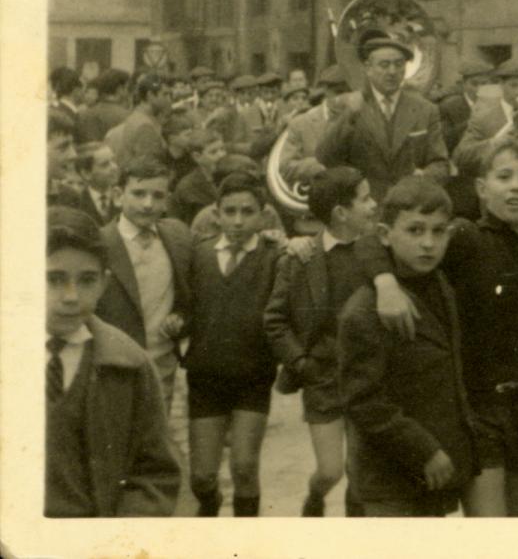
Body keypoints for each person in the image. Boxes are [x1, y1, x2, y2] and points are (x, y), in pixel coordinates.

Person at [365, 140, 518, 516]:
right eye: (503, 176)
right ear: (481, 188)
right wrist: (384, 282)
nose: (515, 187)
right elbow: (377, 242)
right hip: (479, 413)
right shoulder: (460, 240)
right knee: (488, 534)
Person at [338, 176, 479, 517]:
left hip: (430, 475)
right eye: (415, 231)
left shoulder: (438, 284)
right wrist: (425, 450)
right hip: (388, 479)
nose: (428, 243)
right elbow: (364, 400)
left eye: (438, 231)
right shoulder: (366, 309)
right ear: (386, 235)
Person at [44, 206, 181, 517]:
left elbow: (155, 474)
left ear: (104, 283)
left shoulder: (130, 365)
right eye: (54, 279)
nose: (70, 296)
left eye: (87, 280)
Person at [264, 167, 379, 517]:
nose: (374, 205)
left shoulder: (378, 251)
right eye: (365, 199)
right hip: (323, 378)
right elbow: (275, 320)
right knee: (331, 470)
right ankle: (315, 499)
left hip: (369, 376)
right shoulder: (303, 257)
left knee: (362, 475)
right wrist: (300, 362)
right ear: (341, 213)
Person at [183, 172, 283, 517]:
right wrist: (176, 322)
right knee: (202, 476)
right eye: (230, 211)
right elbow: (185, 306)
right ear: (216, 212)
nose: (238, 221)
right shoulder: (198, 254)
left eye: (247, 211)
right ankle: (210, 505)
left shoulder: (275, 256)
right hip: (206, 377)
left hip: (253, 378)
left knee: (243, 467)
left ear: (262, 214)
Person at [97, 157, 192, 410]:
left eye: (157, 195)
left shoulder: (177, 236)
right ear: (119, 195)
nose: (148, 204)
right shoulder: (100, 244)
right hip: (113, 370)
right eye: (139, 194)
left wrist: (180, 316)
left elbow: (192, 291)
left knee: (155, 442)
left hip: (162, 368)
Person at [317, 31, 449, 202]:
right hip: (363, 209)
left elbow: (441, 164)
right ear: (368, 68)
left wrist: (423, 178)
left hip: (409, 207)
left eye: (399, 64)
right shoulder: (345, 104)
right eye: (384, 65)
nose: (392, 71)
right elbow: (325, 157)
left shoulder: (426, 109)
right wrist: (349, 115)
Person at [452, 57, 518, 171]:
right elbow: (460, 156)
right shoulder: (483, 117)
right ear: (501, 84)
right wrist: (495, 142)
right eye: (513, 85)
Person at [276, 67, 351, 187]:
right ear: (326, 91)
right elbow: (285, 168)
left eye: (350, 93)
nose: (344, 99)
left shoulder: (363, 120)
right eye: (339, 92)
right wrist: (318, 166)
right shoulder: (300, 123)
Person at [106, 73, 172, 173]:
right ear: (150, 95)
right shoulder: (145, 125)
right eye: (165, 94)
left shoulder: (137, 117)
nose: (169, 100)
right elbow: (148, 165)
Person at [439, 58, 498, 155]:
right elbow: (445, 142)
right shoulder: (449, 107)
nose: (479, 89)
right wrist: (472, 120)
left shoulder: (496, 105)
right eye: (474, 84)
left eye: (484, 83)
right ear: (463, 84)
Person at [170, 128, 228, 226]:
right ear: (197, 157)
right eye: (213, 152)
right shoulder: (188, 187)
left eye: (223, 149)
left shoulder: (228, 175)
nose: (221, 155)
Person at [67, 141, 122, 226]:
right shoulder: (76, 203)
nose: (114, 167)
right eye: (105, 165)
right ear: (86, 174)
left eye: (113, 161)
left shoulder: (124, 195)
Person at [77, 69, 132, 144]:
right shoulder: (126, 116)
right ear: (119, 89)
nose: (128, 92)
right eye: (127, 88)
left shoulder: (84, 114)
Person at [50, 66, 87, 143]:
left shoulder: (54, 109)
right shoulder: (68, 115)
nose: (85, 93)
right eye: (83, 89)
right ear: (76, 90)